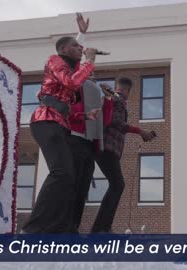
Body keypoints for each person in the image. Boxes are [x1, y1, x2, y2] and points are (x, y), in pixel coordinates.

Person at [21, 29, 99, 233]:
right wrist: (89, 61)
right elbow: (72, 82)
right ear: (63, 49)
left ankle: (61, 227)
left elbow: (64, 107)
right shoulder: (54, 60)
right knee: (62, 172)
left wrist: (84, 116)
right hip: (45, 121)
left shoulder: (67, 68)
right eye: (76, 46)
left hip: (58, 124)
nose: (80, 49)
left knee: (69, 176)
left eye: (81, 47)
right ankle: (32, 229)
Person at [91, 77, 156, 233]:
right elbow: (116, 122)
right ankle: (102, 229)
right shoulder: (118, 99)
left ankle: (101, 228)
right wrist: (141, 131)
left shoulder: (112, 98)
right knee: (118, 185)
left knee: (116, 185)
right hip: (108, 148)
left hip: (102, 148)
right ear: (128, 91)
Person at [68, 13, 114, 232]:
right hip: (74, 139)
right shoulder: (75, 83)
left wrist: (109, 99)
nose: (93, 78)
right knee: (72, 184)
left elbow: (104, 120)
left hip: (88, 143)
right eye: (90, 76)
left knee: (82, 187)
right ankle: (62, 228)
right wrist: (82, 36)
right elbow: (74, 63)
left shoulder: (94, 91)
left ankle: (73, 228)